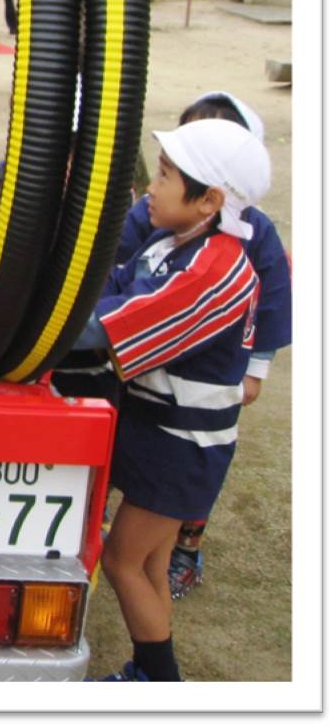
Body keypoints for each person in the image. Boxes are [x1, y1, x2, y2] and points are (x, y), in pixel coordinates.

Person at [0, 119, 269, 682]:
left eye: (168, 178)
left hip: (181, 449)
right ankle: (152, 673)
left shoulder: (214, 269)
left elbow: (102, 323)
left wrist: (11, 321)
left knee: (125, 561)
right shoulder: (171, 245)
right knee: (147, 563)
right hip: (160, 435)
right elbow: (99, 287)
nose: (151, 187)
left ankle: (157, 678)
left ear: (210, 200)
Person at [114, 92, 291, 602]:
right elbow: (123, 265)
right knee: (151, 521)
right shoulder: (158, 224)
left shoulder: (241, 243)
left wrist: (256, 368)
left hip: (195, 405)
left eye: (172, 172)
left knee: (158, 521)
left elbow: (273, 302)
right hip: (161, 392)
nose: (157, 183)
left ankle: (188, 549)